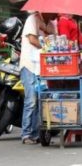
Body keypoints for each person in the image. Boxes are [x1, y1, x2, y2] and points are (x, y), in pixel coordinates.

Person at [19, 12, 57, 144]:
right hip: (29, 65)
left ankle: (36, 134)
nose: (56, 14)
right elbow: (32, 39)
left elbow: (55, 41)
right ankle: (26, 134)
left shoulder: (51, 24)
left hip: (43, 67)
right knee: (31, 100)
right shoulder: (32, 19)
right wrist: (47, 47)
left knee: (41, 100)